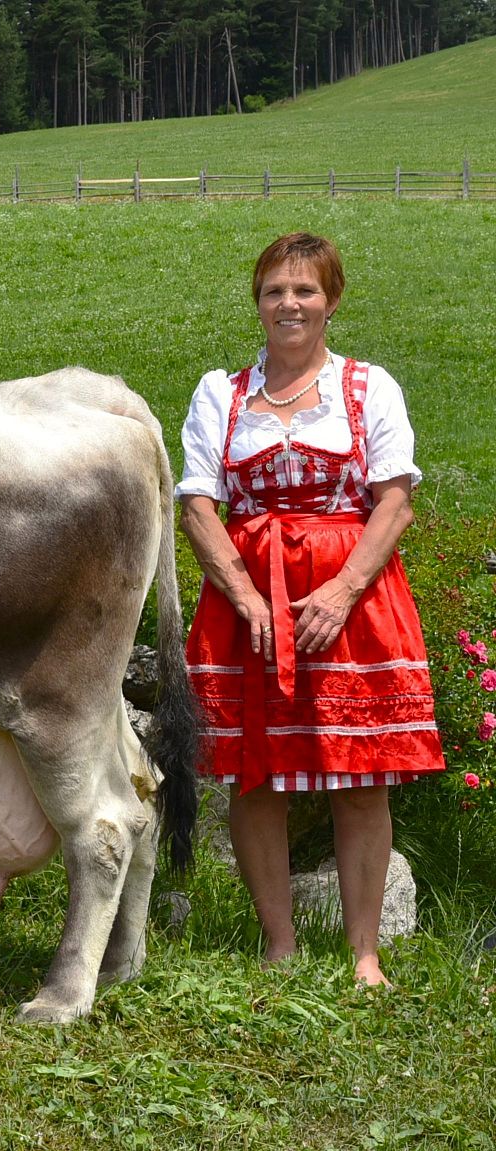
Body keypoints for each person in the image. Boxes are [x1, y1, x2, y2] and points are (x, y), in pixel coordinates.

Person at [177, 231, 444, 986]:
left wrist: (339, 588)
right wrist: (244, 593)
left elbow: (393, 505)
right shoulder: (219, 394)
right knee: (255, 774)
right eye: (274, 290)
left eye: (305, 290)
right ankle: (280, 943)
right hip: (250, 604)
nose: (289, 303)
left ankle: (365, 954)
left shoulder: (368, 388)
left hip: (351, 603)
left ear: (332, 299)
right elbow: (199, 506)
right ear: (257, 301)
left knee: (360, 773)